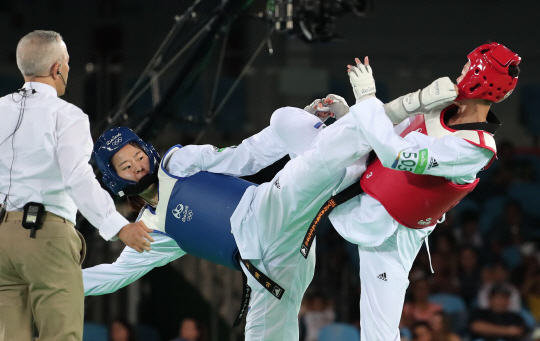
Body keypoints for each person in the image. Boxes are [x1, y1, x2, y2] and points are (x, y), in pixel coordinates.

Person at [84, 93, 357, 340]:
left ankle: (364, 136)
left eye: (138, 155)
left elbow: (245, 156)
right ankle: (351, 148)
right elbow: (115, 274)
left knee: (287, 126)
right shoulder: (150, 228)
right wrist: (56, 282)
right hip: (267, 270)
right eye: (126, 166)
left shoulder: (177, 162)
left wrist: (295, 126)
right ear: (114, 180)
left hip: (268, 211)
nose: (138, 166)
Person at [325, 42, 521, 340]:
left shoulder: (476, 148)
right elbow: (387, 128)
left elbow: (395, 154)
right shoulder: (442, 104)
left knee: (378, 332)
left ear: (482, 77)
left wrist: (366, 98)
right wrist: (351, 116)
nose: (461, 73)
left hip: (392, 233)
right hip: (360, 193)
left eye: (467, 68)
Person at [0, 30, 152, 341]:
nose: (68, 69)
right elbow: (77, 178)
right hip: (46, 236)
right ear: (57, 68)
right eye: (67, 63)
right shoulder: (67, 116)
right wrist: (120, 227)